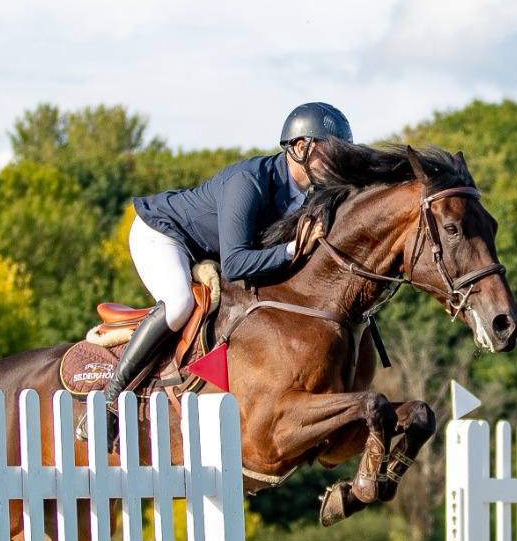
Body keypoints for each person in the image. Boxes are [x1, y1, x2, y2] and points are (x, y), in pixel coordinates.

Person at [79, 102, 354, 441]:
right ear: (300, 148)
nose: (338, 163)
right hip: (163, 233)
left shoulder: (314, 195)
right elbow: (236, 264)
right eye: (332, 153)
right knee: (179, 304)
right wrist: (293, 249)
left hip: (204, 250)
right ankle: (108, 401)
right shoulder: (248, 182)